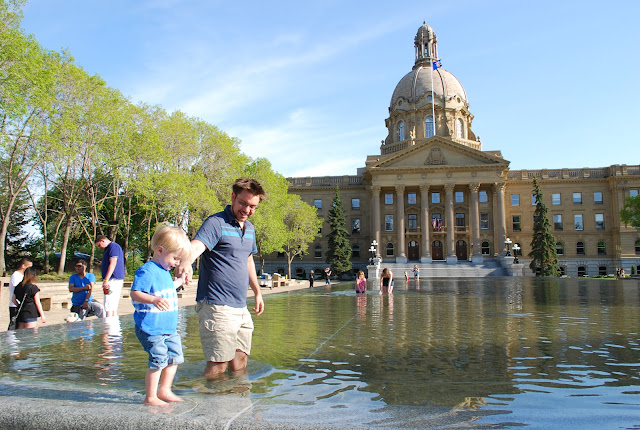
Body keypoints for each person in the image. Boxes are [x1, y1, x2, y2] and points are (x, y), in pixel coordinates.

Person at [177, 178, 266, 379]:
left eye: (252, 206)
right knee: (218, 366)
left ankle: (236, 396)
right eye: (243, 203)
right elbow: (197, 246)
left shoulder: (250, 228)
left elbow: (248, 260)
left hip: (240, 306)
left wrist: (257, 292)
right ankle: (204, 397)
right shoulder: (216, 223)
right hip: (216, 305)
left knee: (240, 362)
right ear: (233, 197)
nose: (247, 210)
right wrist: (186, 261)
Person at [130, 223, 190, 406]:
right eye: (175, 258)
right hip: (151, 328)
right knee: (158, 360)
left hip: (169, 329)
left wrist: (180, 280)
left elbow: (169, 287)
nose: (177, 263)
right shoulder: (147, 271)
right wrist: (153, 299)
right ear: (160, 250)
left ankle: (164, 390)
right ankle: (150, 397)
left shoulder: (164, 272)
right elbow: (135, 293)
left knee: (175, 357)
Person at [95, 235, 126, 317]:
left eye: (99, 245)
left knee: (108, 304)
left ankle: (108, 323)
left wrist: (106, 280)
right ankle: (113, 323)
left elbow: (113, 263)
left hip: (113, 279)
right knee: (112, 306)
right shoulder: (110, 248)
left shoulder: (113, 247)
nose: (99, 247)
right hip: (114, 279)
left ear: (102, 241)